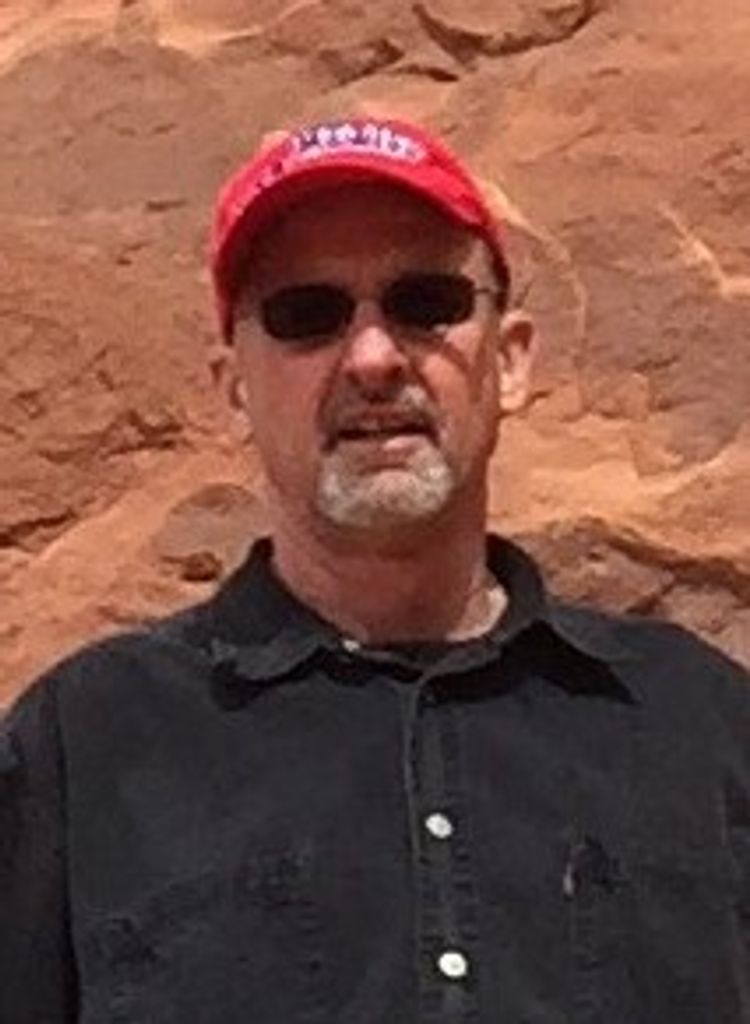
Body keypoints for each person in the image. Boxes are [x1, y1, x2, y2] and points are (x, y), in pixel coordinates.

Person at [1, 116, 748, 1024]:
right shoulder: (85, 750)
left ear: (511, 361)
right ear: (234, 389)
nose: (372, 358)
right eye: (306, 315)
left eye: (425, 302)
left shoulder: (702, 728)